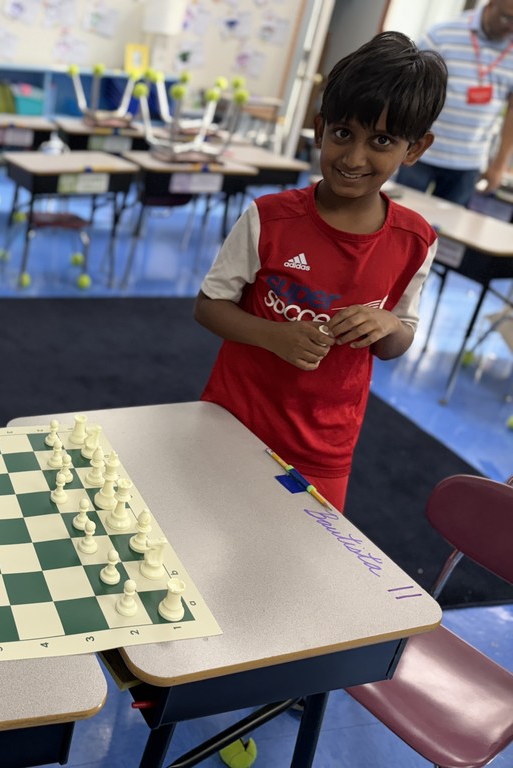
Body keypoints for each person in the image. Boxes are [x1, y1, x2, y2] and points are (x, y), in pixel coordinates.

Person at [193, 32, 447, 513]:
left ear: (415, 149)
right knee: (201, 533)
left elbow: (399, 339)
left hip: (325, 446)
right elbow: (208, 307)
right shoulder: (269, 217)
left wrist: (389, 324)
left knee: (297, 566)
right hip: (232, 418)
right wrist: (275, 336)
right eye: (343, 134)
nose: (354, 158)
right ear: (319, 129)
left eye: (382, 141)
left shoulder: (415, 240)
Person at [396, 0, 513, 205]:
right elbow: (408, 87)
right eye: (507, 17)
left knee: (450, 231)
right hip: (420, 151)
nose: (510, 27)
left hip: (468, 162)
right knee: (402, 217)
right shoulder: (442, 34)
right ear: (492, 3)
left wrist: (499, 164)